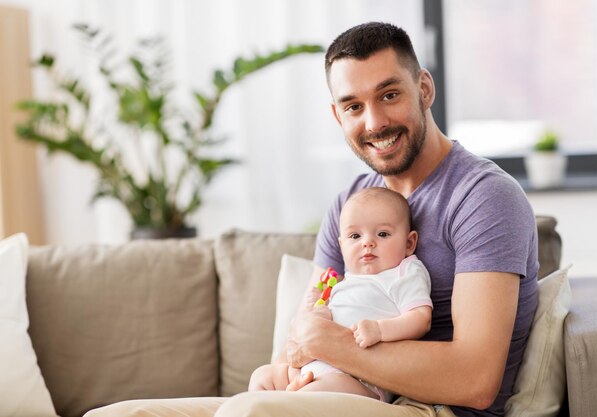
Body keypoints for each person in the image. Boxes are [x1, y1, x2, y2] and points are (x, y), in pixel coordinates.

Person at [85, 21, 538, 417]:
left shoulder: (484, 197)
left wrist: (327, 345)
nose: (375, 121)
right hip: (323, 390)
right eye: (353, 106)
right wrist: (288, 366)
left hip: (425, 408)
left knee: (253, 413)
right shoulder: (351, 204)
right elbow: (306, 326)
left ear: (424, 88)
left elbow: (475, 381)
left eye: (390, 94)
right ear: (336, 114)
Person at [248, 187, 433, 403]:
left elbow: (421, 318)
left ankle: (289, 403)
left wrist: (380, 330)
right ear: (342, 246)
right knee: (261, 376)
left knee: (307, 399)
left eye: (382, 234)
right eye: (355, 236)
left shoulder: (404, 272)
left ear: (409, 243)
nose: (367, 242)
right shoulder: (345, 281)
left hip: (357, 379)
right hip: (312, 368)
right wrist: (315, 308)